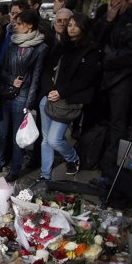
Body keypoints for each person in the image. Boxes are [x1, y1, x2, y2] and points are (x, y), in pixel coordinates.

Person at [0, 9, 48, 182]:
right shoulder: (12, 42)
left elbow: (36, 77)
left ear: (29, 26)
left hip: (23, 96)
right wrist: (10, 80)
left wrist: (29, 103)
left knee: (17, 137)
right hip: (6, 92)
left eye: (19, 24)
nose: (15, 26)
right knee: (1, 132)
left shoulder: (40, 48)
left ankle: (15, 168)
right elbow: (2, 69)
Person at [94, 0, 132, 182]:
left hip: (125, 77)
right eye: (110, 5)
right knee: (104, 119)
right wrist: (107, 21)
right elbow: (95, 39)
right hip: (106, 76)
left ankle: (111, 164)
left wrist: (108, 60)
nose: (113, 8)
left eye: (117, 5)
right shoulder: (109, 17)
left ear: (129, 0)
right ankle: (98, 157)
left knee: (119, 122)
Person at [38, 13, 100, 180]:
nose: (71, 27)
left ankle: (72, 158)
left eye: (75, 24)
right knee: (45, 139)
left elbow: (86, 79)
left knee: (54, 139)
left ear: (84, 27)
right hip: (49, 96)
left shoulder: (91, 50)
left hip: (68, 101)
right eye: (69, 24)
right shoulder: (61, 46)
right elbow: (47, 69)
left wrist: (61, 92)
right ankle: (45, 176)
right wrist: (50, 90)